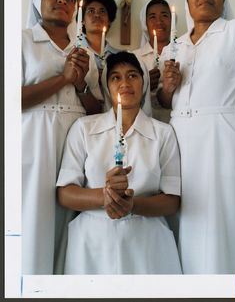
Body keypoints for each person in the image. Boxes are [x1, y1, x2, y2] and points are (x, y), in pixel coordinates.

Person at [56, 51, 182, 274]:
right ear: (107, 86)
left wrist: (132, 205)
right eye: (115, 77)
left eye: (133, 75)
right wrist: (105, 197)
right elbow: (65, 193)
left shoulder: (163, 133)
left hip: (147, 243)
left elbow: (172, 200)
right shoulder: (84, 128)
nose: (125, 83)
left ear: (144, 83)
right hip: (92, 244)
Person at [158, 0, 235, 274]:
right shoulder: (173, 48)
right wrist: (167, 86)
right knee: (187, 212)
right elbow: (165, 101)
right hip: (181, 139)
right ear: (188, 1)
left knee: (220, 213)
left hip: (223, 135)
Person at [22, 0, 102, 275]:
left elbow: (96, 110)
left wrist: (80, 85)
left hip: (76, 139)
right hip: (36, 137)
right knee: (36, 216)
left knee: (70, 217)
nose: (62, 1)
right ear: (38, 1)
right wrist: (63, 79)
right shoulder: (23, 40)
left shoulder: (84, 52)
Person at [133, 0, 175, 122]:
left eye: (164, 15)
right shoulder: (134, 57)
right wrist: (144, 83)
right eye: (152, 17)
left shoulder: (184, 53)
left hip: (177, 121)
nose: (159, 22)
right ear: (145, 23)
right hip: (145, 122)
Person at [78, 0, 118, 73]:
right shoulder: (74, 52)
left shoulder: (120, 56)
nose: (97, 15)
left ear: (109, 20)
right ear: (82, 20)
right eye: (91, 11)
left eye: (102, 11)